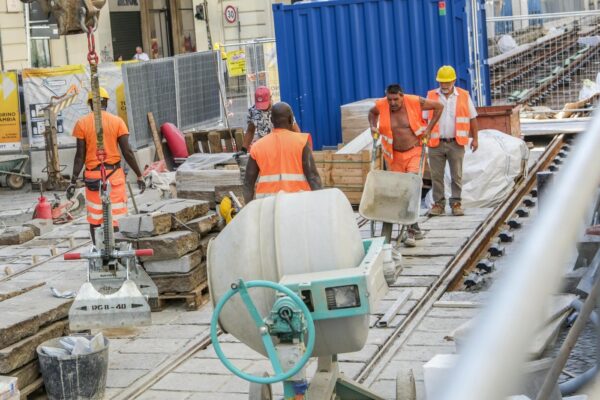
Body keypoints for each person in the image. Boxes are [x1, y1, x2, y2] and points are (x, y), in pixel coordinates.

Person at [66, 87, 146, 242]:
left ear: (90, 104)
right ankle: (117, 251)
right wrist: (139, 175)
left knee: (95, 218)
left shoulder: (82, 123)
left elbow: (79, 156)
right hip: (114, 176)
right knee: (116, 217)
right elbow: (127, 152)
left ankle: (98, 251)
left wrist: (73, 181)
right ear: (106, 103)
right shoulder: (117, 122)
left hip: (93, 178)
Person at [368, 84, 443, 247]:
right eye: (390, 99)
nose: (393, 103)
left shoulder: (415, 101)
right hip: (393, 156)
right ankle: (413, 226)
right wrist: (373, 126)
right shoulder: (381, 105)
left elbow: (439, 106)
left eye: (396, 99)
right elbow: (372, 113)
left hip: (414, 151)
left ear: (402, 96)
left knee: (412, 188)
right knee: (400, 192)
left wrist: (429, 129)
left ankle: (410, 230)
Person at [426, 65, 479, 217]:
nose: (444, 85)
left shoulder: (463, 95)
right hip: (436, 143)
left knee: (457, 175)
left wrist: (475, 139)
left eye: (447, 82)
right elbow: (423, 120)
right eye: (442, 82)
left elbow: (472, 118)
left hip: (456, 142)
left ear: (454, 81)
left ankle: (456, 203)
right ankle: (438, 204)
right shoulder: (431, 96)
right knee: (436, 176)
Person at [243, 102, 322, 203]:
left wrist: (249, 209)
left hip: (266, 204)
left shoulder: (257, 146)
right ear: (291, 119)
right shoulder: (302, 142)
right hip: (298, 203)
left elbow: (248, 183)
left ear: (271, 120)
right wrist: (320, 205)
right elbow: (313, 177)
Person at [242, 86, 301, 151]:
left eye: (264, 104)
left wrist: (300, 146)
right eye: (259, 104)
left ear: (270, 98)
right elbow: (250, 131)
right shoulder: (252, 111)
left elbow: (295, 130)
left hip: (282, 148)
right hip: (265, 149)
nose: (262, 108)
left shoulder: (282, 109)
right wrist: (243, 149)